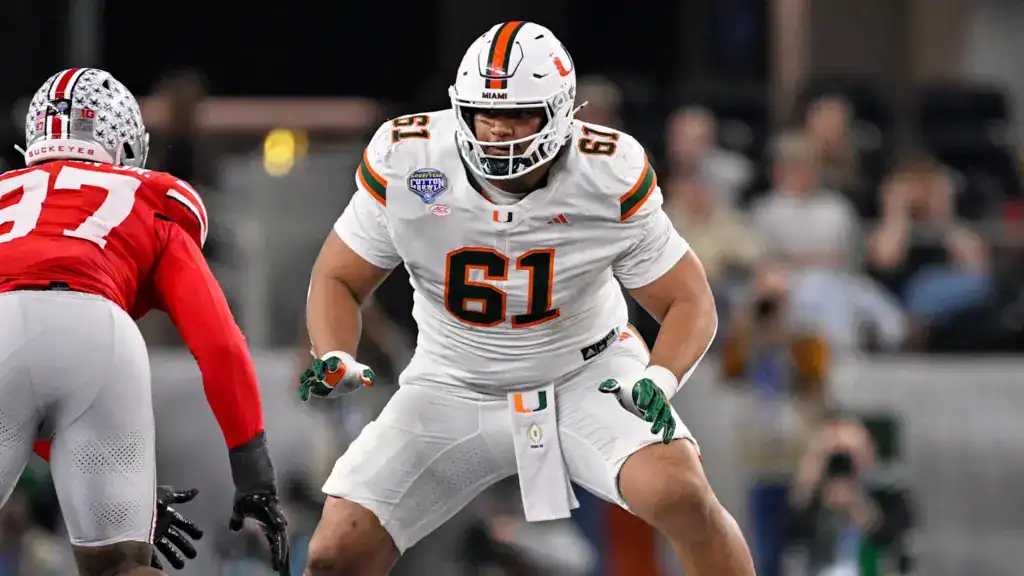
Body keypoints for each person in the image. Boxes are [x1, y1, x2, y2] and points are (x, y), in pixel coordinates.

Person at [300, 22, 755, 575]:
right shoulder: (410, 156)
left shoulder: (606, 171)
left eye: (517, 114)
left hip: (585, 375)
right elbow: (339, 278)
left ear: (562, 111)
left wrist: (659, 377)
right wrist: (336, 353)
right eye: (484, 113)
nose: (497, 131)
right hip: (451, 382)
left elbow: (689, 301)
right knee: (333, 553)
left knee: (682, 495)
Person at [0, 68, 290, 575]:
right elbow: (220, 345)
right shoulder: (149, 199)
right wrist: (254, 476)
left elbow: (22, 386)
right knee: (119, 564)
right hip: (102, 334)